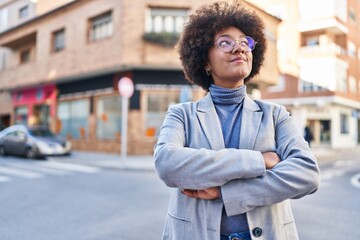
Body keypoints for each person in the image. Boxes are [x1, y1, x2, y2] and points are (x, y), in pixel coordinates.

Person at [153, 1, 321, 240]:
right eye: (225, 42)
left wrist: (227, 192)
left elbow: (307, 174)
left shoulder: (276, 115)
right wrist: (259, 160)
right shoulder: (181, 115)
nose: (239, 48)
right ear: (205, 61)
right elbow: (168, 165)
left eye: (245, 42)